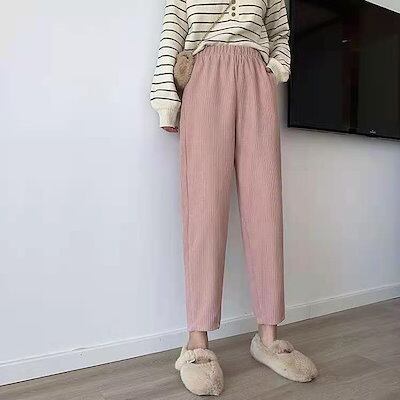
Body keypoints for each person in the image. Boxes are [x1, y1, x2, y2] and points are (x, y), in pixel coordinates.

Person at [150, 0, 317, 395]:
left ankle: (269, 337)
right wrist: (167, 103)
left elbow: (280, 32)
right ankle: (196, 342)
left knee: (265, 209)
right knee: (204, 212)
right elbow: (172, 36)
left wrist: (274, 69)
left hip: (256, 79)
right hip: (204, 77)